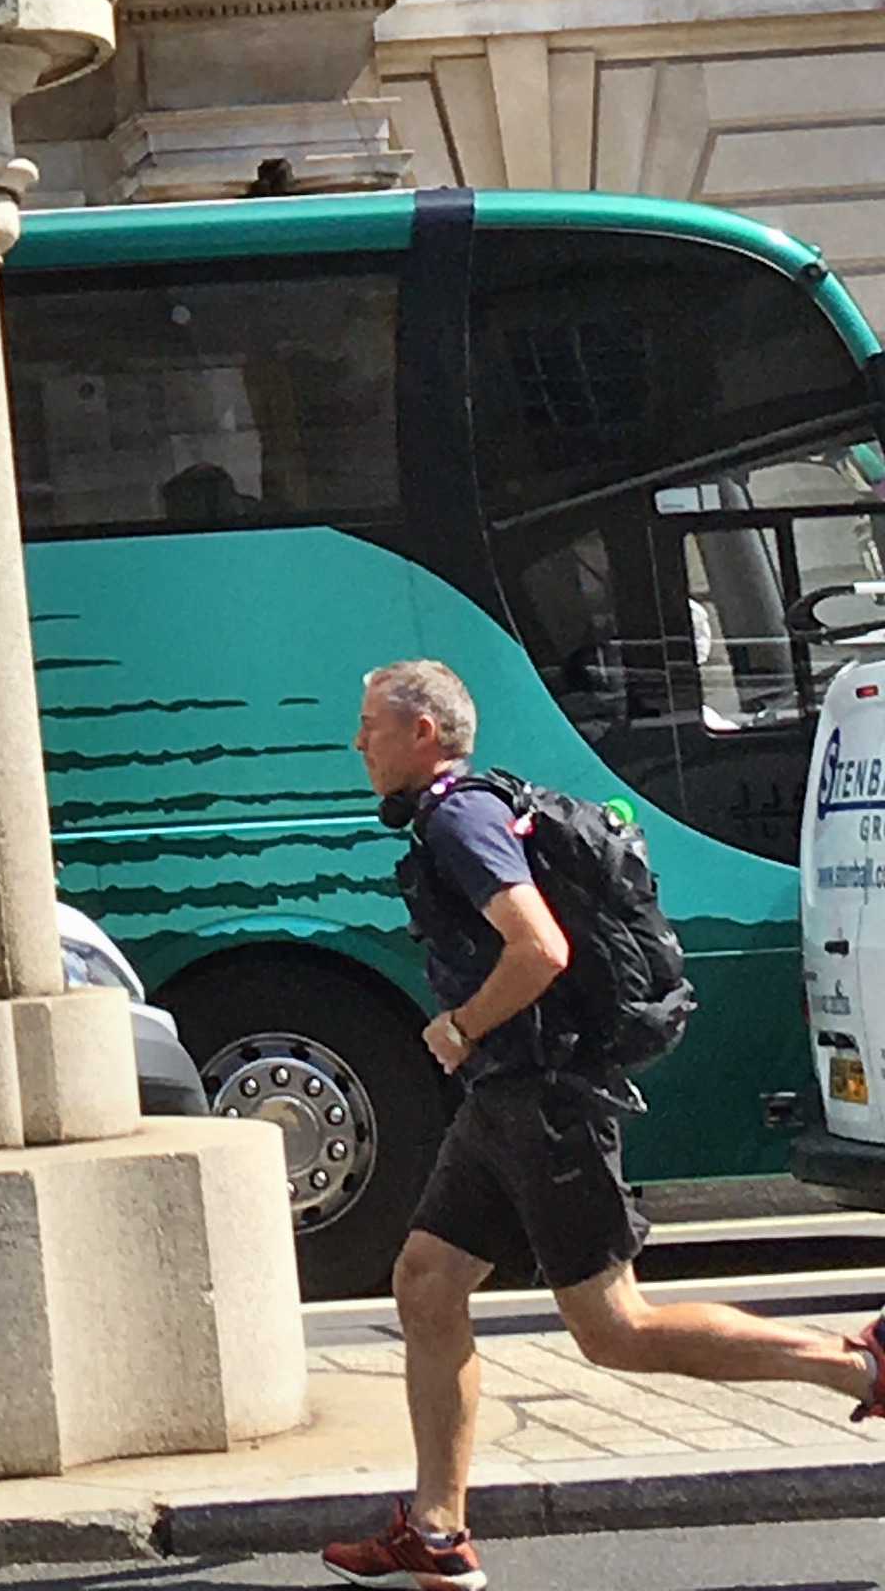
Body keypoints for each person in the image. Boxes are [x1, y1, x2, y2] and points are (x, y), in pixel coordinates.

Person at [323, 655, 885, 1589]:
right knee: (426, 1280)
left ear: (422, 733)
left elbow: (538, 948)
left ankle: (860, 1368)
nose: (359, 743)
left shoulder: (461, 819)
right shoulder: (459, 814)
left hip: (546, 1102)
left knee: (614, 1328)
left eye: (371, 725)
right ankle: (434, 1531)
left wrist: (460, 1027)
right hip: (506, 1105)